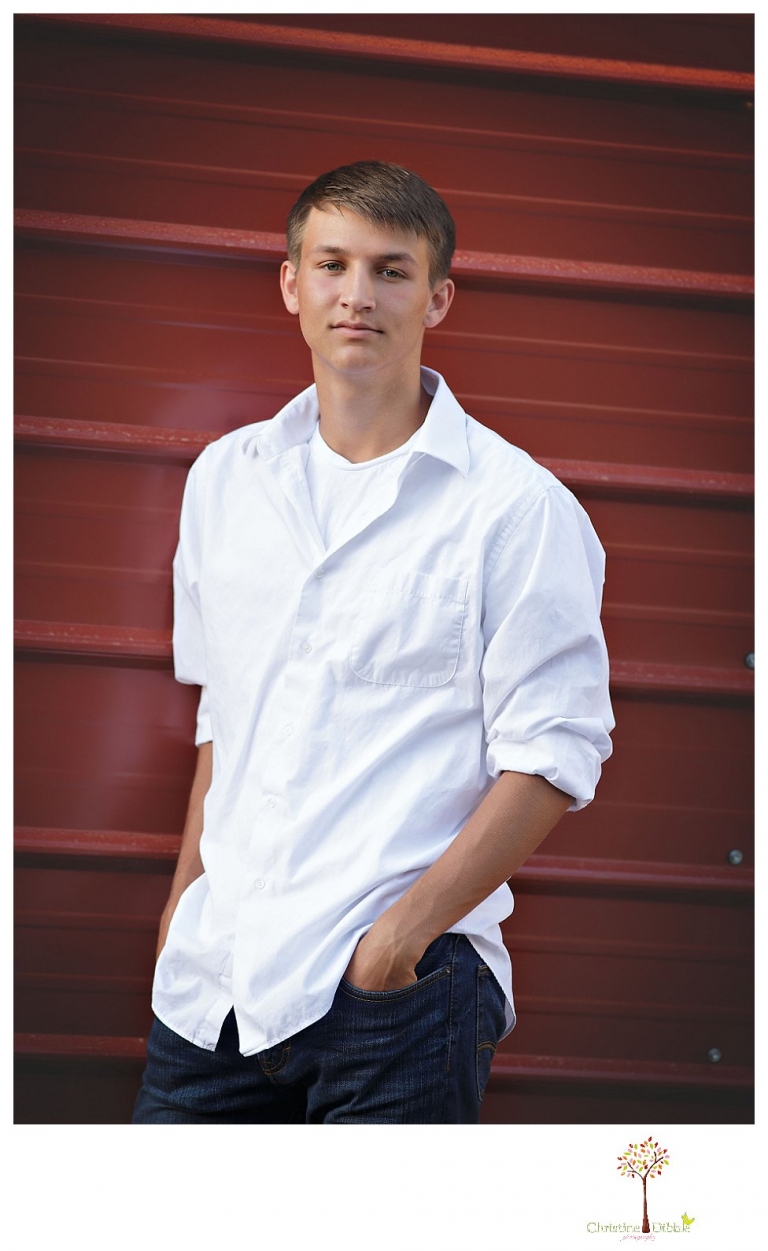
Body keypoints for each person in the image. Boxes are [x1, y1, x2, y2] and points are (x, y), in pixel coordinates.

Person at [133, 160, 614, 1125]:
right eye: (332, 264)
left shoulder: (517, 509)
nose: (358, 295)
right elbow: (227, 712)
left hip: (397, 1000)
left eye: (392, 271)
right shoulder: (225, 481)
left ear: (438, 297)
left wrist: (398, 942)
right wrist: (183, 902)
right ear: (291, 284)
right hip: (211, 985)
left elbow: (554, 754)